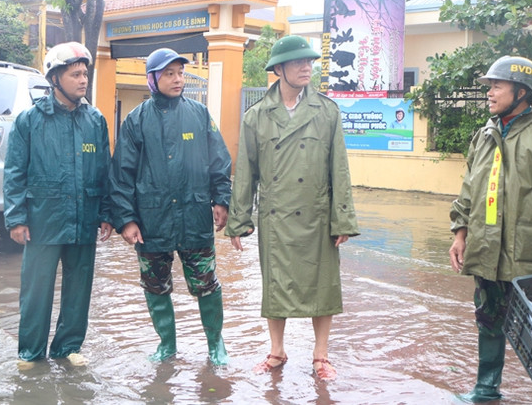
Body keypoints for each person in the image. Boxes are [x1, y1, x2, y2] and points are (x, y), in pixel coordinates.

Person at [448, 56, 532, 405]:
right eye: (490, 86)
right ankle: (486, 388)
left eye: (497, 86)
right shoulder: (484, 136)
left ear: (521, 92)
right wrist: (460, 232)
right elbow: (469, 188)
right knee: (488, 319)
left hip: (530, 254)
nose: (490, 93)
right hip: (486, 251)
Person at [225, 35, 359, 381]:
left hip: (317, 214)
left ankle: (321, 355)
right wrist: (239, 220)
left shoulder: (326, 111)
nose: (306, 68)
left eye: (310, 63)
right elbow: (246, 172)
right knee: (276, 284)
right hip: (276, 216)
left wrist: (341, 217)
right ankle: (277, 350)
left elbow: (339, 168)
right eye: (299, 62)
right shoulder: (257, 116)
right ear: (278, 69)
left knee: (323, 285)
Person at [109, 47, 232, 366]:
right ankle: (167, 344)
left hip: (194, 216)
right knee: (155, 284)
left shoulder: (199, 114)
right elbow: (121, 173)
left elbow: (219, 161)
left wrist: (221, 200)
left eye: (180, 73)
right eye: (169, 74)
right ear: (152, 79)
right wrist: (125, 220)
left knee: (206, 282)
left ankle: (216, 344)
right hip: (152, 221)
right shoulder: (136, 120)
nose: (178, 79)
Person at [3, 41, 112, 370]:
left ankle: (67, 348)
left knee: (79, 288)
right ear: (54, 79)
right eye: (75, 74)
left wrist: (107, 214)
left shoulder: (96, 120)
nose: (83, 80)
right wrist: (16, 219)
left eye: (85, 74)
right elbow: (14, 173)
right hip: (43, 219)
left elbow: (105, 171)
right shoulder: (29, 121)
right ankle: (31, 353)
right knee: (36, 290)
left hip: (84, 219)